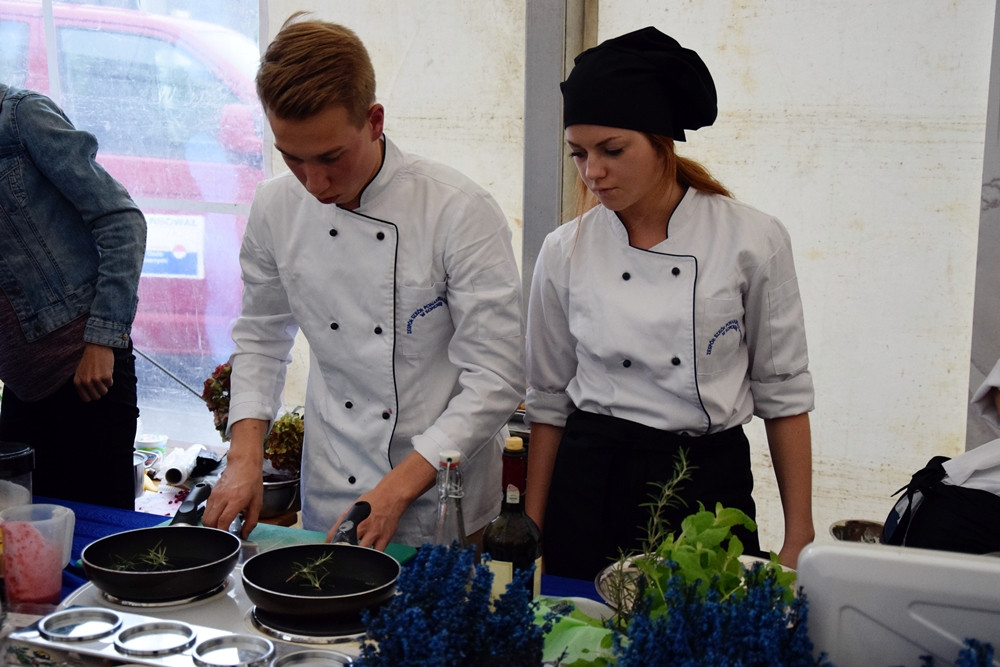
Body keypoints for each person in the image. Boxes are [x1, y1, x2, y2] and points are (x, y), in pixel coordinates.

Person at [202, 15, 524, 550]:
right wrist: (244, 458)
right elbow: (261, 336)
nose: (315, 182)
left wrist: (396, 490)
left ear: (374, 121)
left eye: (331, 157)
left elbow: (497, 375)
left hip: (443, 497)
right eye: (292, 158)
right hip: (331, 486)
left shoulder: (457, 210)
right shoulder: (275, 208)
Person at [523, 27, 816, 580]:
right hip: (591, 485)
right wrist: (534, 528)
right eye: (578, 154)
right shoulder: (564, 250)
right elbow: (548, 399)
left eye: (612, 150)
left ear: (662, 141)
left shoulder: (751, 239)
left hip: (705, 488)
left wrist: (799, 532)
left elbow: (783, 391)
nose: (593, 172)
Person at [0, 84, 146, 509]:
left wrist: (104, 340)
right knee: (26, 547)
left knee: (100, 546)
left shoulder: (21, 119)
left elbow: (122, 222)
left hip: (87, 376)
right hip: (24, 390)